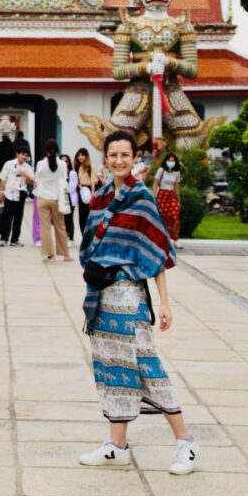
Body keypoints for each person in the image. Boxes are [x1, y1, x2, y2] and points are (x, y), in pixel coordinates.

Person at [78, 130, 197, 475]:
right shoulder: (99, 198)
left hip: (130, 296)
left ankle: (186, 443)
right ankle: (117, 446)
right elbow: (89, 247)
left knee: (147, 366)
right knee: (112, 368)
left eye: (124, 155)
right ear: (105, 158)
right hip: (100, 298)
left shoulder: (142, 197)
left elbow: (158, 253)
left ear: (134, 159)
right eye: (112, 155)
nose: (118, 161)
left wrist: (165, 303)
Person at [34, 139, 72, 262]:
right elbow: (64, 179)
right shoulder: (63, 164)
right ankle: (65, 254)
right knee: (60, 226)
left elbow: (36, 179)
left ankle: (49, 254)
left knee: (45, 227)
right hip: (57, 198)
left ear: (46, 151)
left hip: (43, 197)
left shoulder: (40, 164)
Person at [0, 147, 34, 247]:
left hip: (21, 193)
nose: (24, 157)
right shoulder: (9, 164)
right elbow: (3, 179)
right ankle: (4, 238)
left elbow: (32, 182)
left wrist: (25, 175)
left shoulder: (27, 167)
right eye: (23, 154)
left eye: (26, 155)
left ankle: (15, 239)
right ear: (17, 154)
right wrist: (1, 193)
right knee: (7, 216)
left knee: (18, 217)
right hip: (9, 192)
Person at [152, 152, 182, 248]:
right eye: (169, 160)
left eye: (173, 160)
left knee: (175, 215)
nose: (171, 162)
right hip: (162, 195)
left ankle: (176, 239)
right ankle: (165, 238)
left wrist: (178, 200)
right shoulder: (161, 170)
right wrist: (153, 196)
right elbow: (155, 183)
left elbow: (176, 186)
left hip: (171, 195)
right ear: (166, 161)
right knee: (163, 217)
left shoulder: (177, 172)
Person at [74, 148, 98, 234]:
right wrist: (79, 186)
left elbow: (93, 182)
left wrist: (92, 195)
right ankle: (83, 234)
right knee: (82, 216)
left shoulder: (92, 167)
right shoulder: (78, 167)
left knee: (89, 215)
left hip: (89, 192)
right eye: (79, 155)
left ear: (86, 156)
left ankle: (90, 236)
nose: (80, 157)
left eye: (82, 155)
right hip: (82, 191)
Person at [61, 154, 78, 245]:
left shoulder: (72, 173)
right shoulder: (58, 172)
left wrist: (65, 176)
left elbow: (71, 187)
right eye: (62, 161)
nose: (64, 163)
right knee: (61, 219)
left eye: (66, 161)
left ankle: (70, 238)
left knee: (69, 219)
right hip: (60, 198)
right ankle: (62, 237)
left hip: (69, 198)